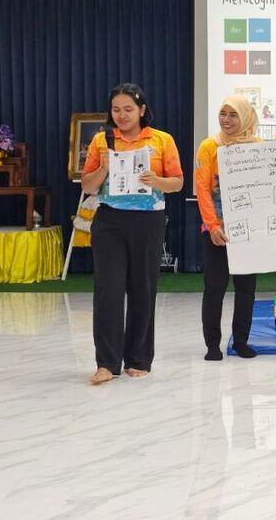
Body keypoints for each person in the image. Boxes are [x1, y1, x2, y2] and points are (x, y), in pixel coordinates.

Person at [81, 83, 183, 384]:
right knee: (108, 291)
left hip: (148, 221)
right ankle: (106, 363)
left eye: (128, 109)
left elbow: (177, 183)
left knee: (143, 290)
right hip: (109, 221)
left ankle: (139, 358)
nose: (122, 115)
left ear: (142, 110)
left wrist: (156, 181)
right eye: (116, 109)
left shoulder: (161, 140)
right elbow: (87, 185)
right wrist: (104, 169)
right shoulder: (102, 140)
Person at [195, 94, 262, 361]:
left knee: (246, 289)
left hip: (248, 232)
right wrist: (212, 226)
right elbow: (202, 189)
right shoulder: (209, 147)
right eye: (223, 113)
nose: (226, 120)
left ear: (245, 117)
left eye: (233, 114)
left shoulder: (258, 147)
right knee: (215, 288)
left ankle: (241, 341)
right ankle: (212, 344)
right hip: (216, 231)